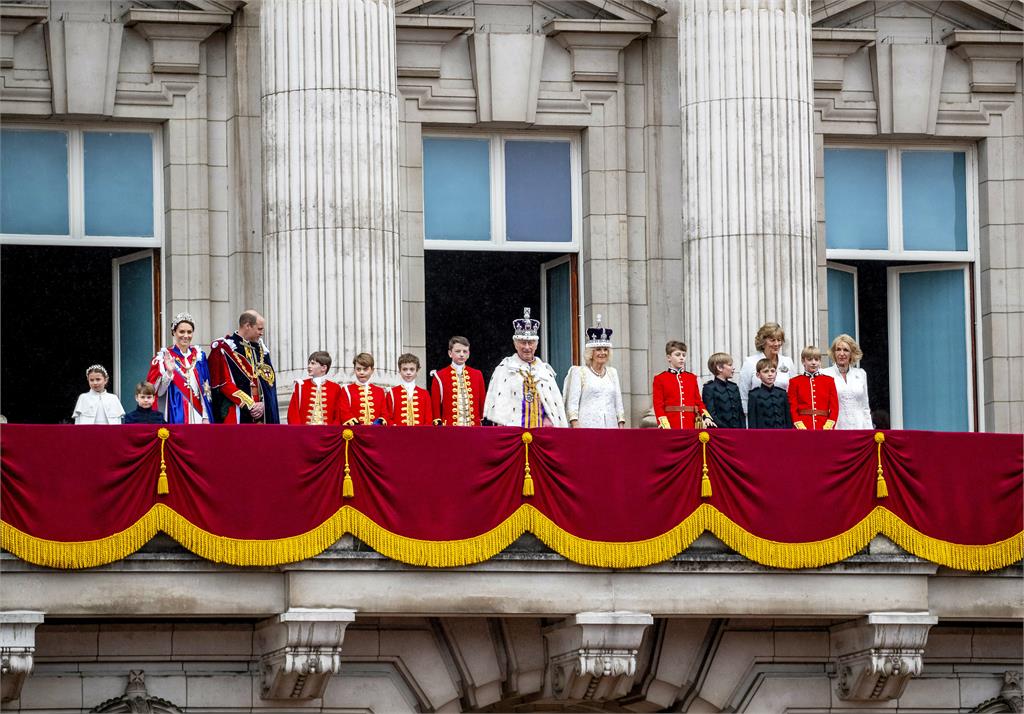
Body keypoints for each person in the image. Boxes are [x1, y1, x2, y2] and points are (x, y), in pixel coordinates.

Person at [483, 308, 568, 428]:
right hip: (513, 430)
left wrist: (550, 419)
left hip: (541, 431)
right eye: (523, 342)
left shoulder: (545, 371)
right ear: (515, 344)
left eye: (531, 343)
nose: (527, 347)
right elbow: (498, 404)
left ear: (536, 345)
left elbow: (553, 404)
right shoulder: (504, 368)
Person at [209, 310, 279, 424]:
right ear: (247, 326)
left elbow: (270, 385)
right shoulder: (225, 348)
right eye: (259, 329)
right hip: (238, 412)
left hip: (262, 414)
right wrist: (250, 404)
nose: (262, 333)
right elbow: (224, 383)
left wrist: (264, 404)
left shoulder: (262, 350)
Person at [147, 312, 214, 424]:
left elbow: (206, 389)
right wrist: (169, 372)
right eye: (181, 331)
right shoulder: (165, 356)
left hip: (198, 415)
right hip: (176, 412)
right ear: (174, 332)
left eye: (189, 332)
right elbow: (158, 393)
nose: (186, 336)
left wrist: (205, 416)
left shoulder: (199, 356)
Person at [562, 315, 625, 428]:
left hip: (611, 428)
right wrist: (577, 428)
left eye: (605, 349)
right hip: (587, 428)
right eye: (598, 349)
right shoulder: (580, 372)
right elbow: (572, 406)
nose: (603, 353)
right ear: (591, 352)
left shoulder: (612, 373)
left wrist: (621, 427)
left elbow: (618, 403)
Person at [737, 322, 796, 416]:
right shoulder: (750, 362)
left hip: (782, 415)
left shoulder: (787, 361)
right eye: (772, 340)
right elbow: (743, 394)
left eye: (779, 340)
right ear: (763, 342)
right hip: (758, 415)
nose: (777, 344)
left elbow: (793, 391)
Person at [652, 340, 714, 429]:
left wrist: (706, 416)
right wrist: (663, 422)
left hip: (690, 423)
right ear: (669, 357)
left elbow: (698, 401)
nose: (682, 358)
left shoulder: (692, 378)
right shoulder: (660, 378)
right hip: (671, 424)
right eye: (678, 355)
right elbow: (658, 404)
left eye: (684, 355)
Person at [821, 334, 873, 430]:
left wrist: (869, 431)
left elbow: (865, 407)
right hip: (836, 428)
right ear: (834, 352)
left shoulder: (861, 374)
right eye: (838, 349)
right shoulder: (824, 373)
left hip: (859, 427)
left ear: (852, 354)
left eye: (845, 350)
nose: (841, 353)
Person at [430, 336, 485, 426]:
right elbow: (435, 407)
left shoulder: (477, 374)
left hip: (474, 429)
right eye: (458, 351)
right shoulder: (439, 376)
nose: (462, 354)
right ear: (450, 353)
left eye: (465, 351)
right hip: (449, 430)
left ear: (469, 354)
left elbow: (482, 403)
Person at [287, 350, 345, 425]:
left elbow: (338, 415)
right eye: (309, 363)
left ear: (323, 368)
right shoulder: (300, 386)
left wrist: (333, 431)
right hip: (304, 434)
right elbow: (293, 412)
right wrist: (299, 432)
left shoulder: (335, 388)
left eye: (313, 363)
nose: (309, 366)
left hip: (327, 434)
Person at [788, 346, 838, 430]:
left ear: (820, 362)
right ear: (803, 361)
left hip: (823, 425)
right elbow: (793, 407)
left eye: (816, 359)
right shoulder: (794, 382)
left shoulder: (829, 381)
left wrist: (829, 424)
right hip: (803, 426)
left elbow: (834, 407)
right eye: (810, 359)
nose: (813, 362)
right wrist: (799, 424)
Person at [342, 352, 388, 425]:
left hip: (376, 433)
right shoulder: (346, 390)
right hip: (355, 432)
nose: (361, 372)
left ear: (372, 370)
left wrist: (379, 423)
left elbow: (384, 413)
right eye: (358, 369)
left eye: (365, 369)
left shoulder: (380, 391)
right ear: (354, 370)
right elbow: (344, 411)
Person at [387, 354, 433, 426]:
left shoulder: (424, 394)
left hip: (420, 435)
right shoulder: (392, 393)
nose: (408, 372)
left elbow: (428, 419)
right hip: (398, 434)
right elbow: (388, 418)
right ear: (400, 371)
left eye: (412, 369)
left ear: (417, 370)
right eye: (405, 369)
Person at [701, 352, 745, 428]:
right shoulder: (709, 388)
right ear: (719, 368)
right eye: (730, 365)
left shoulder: (734, 387)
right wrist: (725, 429)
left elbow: (740, 413)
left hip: (738, 432)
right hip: (720, 431)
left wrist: (743, 430)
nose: (733, 368)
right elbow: (711, 413)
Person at [746, 359, 793, 429]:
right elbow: (752, 421)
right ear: (758, 375)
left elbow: (788, 419)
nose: (770, 374)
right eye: (766, 371)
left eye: (772, 371)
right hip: (763, 436)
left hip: (782, 435)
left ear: (776, 374)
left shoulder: (782, 393)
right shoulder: (754, 395)